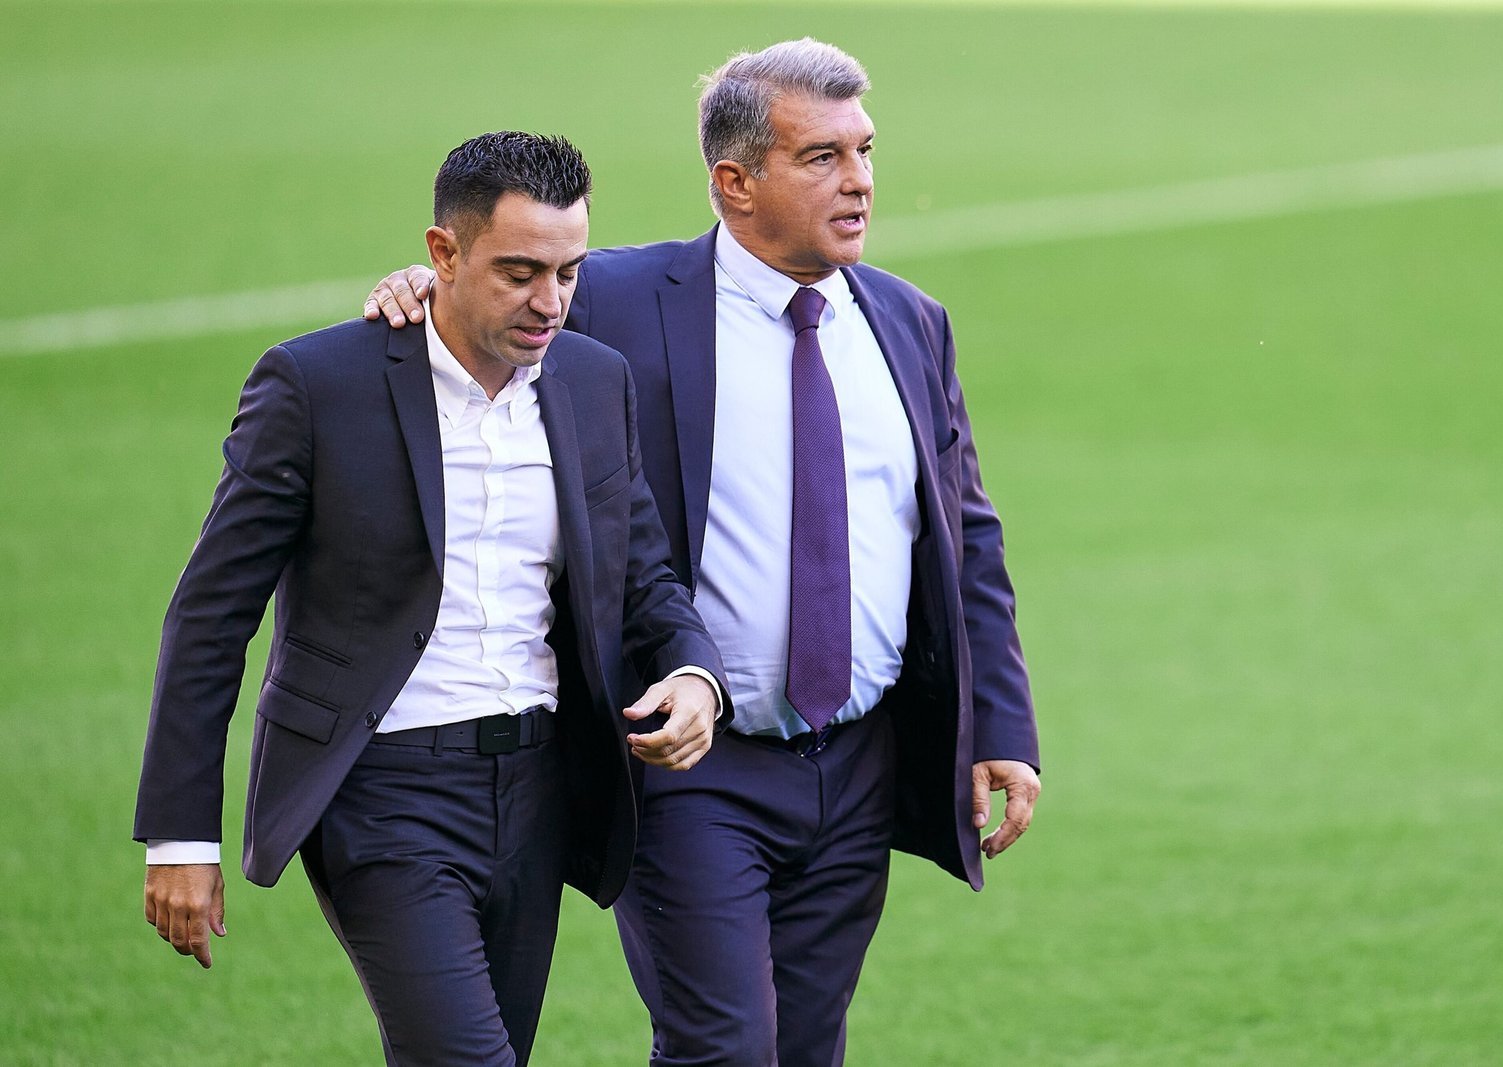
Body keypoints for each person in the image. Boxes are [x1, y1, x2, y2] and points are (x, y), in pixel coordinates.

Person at [364, 39, 1041, 1067]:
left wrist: (1000, 721)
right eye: (820, 157)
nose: (857, 180)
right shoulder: (622, 302)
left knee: (806, 1048)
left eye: (863, 150)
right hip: (690, 763)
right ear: (735, 182)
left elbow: (965, 530)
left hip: (856, 761)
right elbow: (495, 313)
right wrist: (425, 288)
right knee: (723, 1046)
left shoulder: (908, 320)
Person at [135, 131, 731, 1067]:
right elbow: (211, 615)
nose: (551, 303)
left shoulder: (591, 379)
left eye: (569, 272)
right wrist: (178, 835)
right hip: (384, 794)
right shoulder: (317, 385)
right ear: (441, 254)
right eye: (521, 272)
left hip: (539, 788)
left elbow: (643, 576)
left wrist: (695, 673)